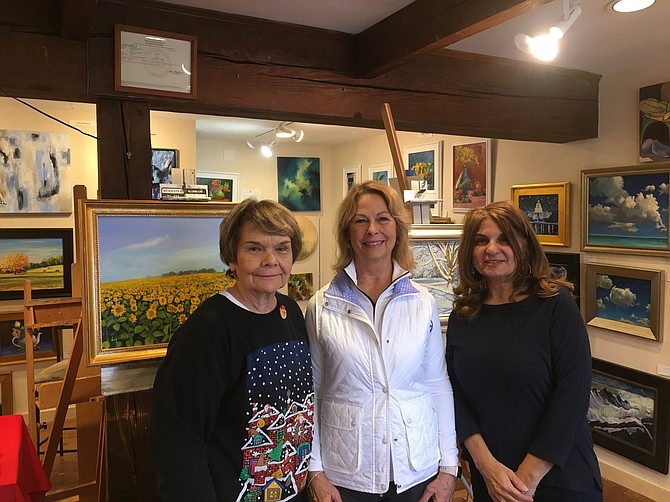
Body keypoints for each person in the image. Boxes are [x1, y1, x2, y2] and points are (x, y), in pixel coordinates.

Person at [149, 198, 314, 502]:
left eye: (281, 248)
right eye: (254, 248)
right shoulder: (208, 329)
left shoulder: (290, 312)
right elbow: (177, 437)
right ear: (232, 258)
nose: (270, 259)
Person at [305, 180, 459, 502]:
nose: (372, 229)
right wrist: (315, 472)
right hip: (346, 472)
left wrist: (449, 468)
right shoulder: (322, 306)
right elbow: (314, 393)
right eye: (361, 220)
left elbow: (437, 384)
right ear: (348, 231)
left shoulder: (421, 302)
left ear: (398, 229)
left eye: (383, 218)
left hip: (416, 467)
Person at [446, 200, 603, 502]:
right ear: (470, 251)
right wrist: (485, 464)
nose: (492, 249)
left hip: (558, 476)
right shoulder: (463, 315)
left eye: (504, 238)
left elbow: (572, 394)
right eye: (481, 240)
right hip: (492, 478)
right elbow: (455, 394)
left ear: (524, 245)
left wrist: (527, 478)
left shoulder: (556, 306)